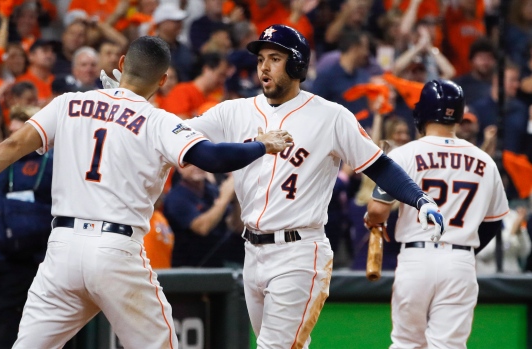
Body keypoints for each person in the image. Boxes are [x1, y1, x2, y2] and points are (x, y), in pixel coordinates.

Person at [0, 36, 293, 349]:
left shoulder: (69, 102)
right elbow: (211, 157)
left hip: (62, 250)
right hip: (116, 251)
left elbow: (12, 145)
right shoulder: (158, 119)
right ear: (163, 80)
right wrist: (261, 145)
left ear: (120, 63)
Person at [103, 24, 445, 348]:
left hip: (300, 252)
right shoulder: (233, 112)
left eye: (275, 59)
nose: (264, 67)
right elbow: (171, 134)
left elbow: (379, 165)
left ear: (297, 64)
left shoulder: (331, 116)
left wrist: (419, 199)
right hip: (252, 251)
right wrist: (128, 104)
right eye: (261, 59)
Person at [365, 79, 509, 349]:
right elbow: (493, 223)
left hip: (416, 256)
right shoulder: (485, 160)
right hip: (460, 260)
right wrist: (461, 250)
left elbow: (377, 210)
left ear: (421, 113)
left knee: (407, 343)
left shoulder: (404, 154)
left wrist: (373, 222)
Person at [0, 106, 54, 349]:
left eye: (21, 132)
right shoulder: (2, 164)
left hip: (29, 259)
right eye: (12, 132)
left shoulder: (51, 164)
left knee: (6, 327)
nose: (15, 138)